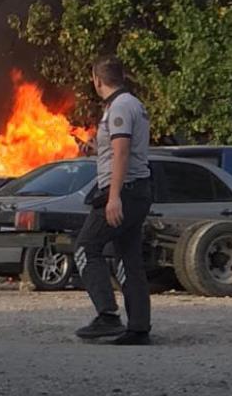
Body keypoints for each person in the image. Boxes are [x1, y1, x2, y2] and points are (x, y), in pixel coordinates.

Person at [73, 55, 153, 345]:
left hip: (125, 191)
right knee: (128, 258)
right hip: (137, 190)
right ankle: (139, 328)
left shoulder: (119, 107)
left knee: (86, 247)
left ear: (97, 80)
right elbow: (114, 149)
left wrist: (114, 197)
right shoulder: (133, 104)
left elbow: (122, 152)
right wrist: (95, 148)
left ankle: (107, 316)